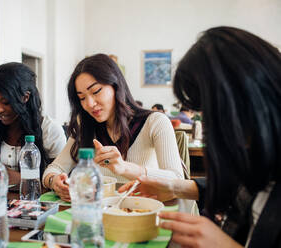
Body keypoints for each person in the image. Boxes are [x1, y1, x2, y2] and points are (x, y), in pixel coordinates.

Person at [120, 26, 281, 247]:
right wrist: (176, 187)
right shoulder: (260, 153)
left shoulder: (153, 122)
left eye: (212, 110)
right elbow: (241, 185)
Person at [43, 54, 191, 212]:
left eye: (96, 91)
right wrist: (55, 182)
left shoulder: (155, 122)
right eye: (82, 98)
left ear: (116, 85)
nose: (90, 104)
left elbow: (177, 180)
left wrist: (124, 168)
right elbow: (53, 169)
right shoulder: (85, 124)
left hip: (141, 214)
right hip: (101, 214)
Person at [0, 62, 66, 185]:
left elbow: (60, 180)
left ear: (25, 97)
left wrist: (22, 180)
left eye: (5, 102)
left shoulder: (50, 130)